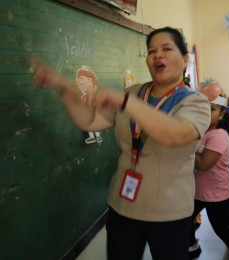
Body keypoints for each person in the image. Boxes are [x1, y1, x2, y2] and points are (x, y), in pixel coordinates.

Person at [31, 27, 211, 260]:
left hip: (170, 213)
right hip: (123, 206)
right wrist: (63, 86)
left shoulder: (195, 103)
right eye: (152, 51)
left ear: (185, 59)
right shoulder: (133, 93)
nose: (158, 55)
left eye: (167, 49)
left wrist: (125, 102)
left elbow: (174, 135)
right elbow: (90, 120)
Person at [189, 81, 229, 260]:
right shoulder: (200, 131)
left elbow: (204, 164)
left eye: (212, 108)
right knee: (185, 220)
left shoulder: (219, 135)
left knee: (220, 227)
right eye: (202, 107)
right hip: (197, 191)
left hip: (217, 193)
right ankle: (192, 246)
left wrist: (186, 147)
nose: (206, 112)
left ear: (222, 115)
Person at [75, 66, 103, 144]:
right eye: (81, 83)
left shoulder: (94, 95)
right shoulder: (84, 96)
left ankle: (98, 136)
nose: (86, 86)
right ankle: (92, 137)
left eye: (89, 83)